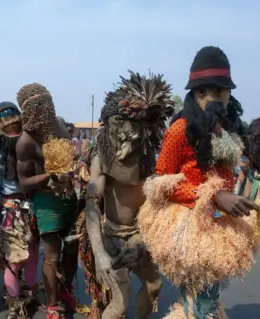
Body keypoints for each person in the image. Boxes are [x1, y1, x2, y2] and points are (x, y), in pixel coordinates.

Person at [137, 46, 260, 318]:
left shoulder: (225, 132)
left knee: (206, 297)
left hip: (220, 220)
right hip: (189, 224)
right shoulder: (179, 130)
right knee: (200, 302)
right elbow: (160, 182)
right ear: (196, 94)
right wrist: (212, 196)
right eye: (208, 91)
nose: (217, 98)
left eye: (222, 91)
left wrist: (233, 197)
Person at [85, 70, 174, 319]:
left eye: (138, 124)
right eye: (126, 123)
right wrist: (100, 253)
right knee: (120, 305)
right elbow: (92, 204)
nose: (132, 131)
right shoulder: (103, 158)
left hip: (142, 238)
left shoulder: (149, 155)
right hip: (113, 238)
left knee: (154, 285)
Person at [16, 83, 79, 319]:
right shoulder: (26, 141)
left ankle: (65, 290)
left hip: (70, 196)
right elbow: (24, 182)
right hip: (46, 201)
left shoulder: (61, 124)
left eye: (46, 103)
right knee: (52, 255)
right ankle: (53, 306)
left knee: (72, 248)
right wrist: (48, 176)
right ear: (28, 111)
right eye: (37, 106)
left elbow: (73, 159)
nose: (44, 110)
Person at [0, 102, 40, 318]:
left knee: (33, 258)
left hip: (32, 212)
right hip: (10, 214)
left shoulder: (33, 148)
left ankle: (29, 295)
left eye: (14, 121)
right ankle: (15, 305)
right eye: (5, 122)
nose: (11, 126)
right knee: (14, 262)